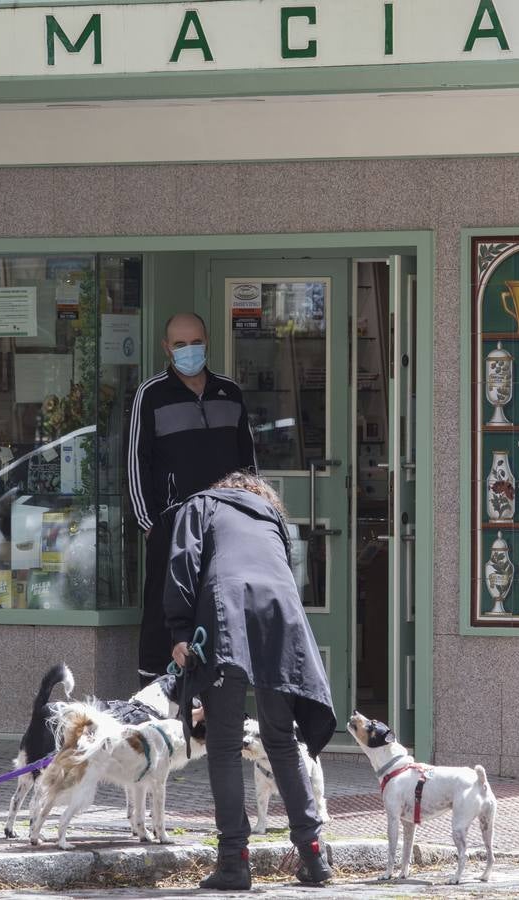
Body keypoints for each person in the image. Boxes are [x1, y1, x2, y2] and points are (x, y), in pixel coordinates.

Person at [164, 471, 336, 890]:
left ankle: (234, 862)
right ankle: (314, 856)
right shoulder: (272, 518)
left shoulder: (201, 505)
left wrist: (179, 631)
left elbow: (182, 564)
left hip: (227, 613)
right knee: (281, 740)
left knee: (223, 745)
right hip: (281, 619)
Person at [128, 312, 256, 682]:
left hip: (226, 527)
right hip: (172, 527)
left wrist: (251, 516)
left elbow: (249, 462)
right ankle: (155, 695)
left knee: (220, 608)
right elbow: (136, 461)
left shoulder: (230, 392)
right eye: (180, 344)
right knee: (163, 614)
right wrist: (151, 525)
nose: (189, 351)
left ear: (207, 342)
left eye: (195, 342)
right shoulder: (150, 394)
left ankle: (216, 694)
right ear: (166, 348)